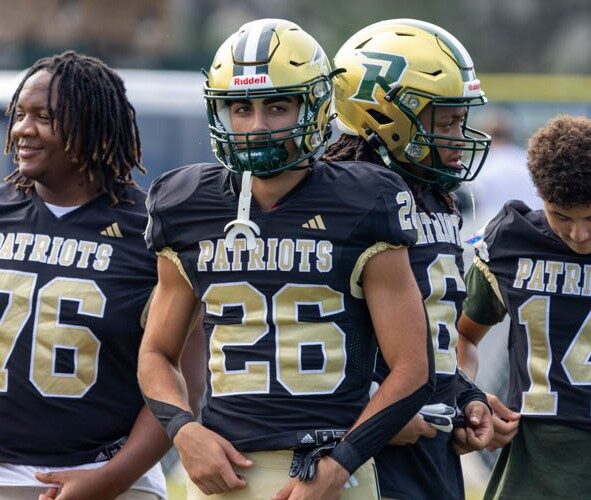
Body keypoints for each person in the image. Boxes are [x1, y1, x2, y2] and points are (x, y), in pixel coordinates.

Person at [138, 18, 435, 500]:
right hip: (224, 468)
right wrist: (183, 430)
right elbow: (156, 352)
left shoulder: (365, 200)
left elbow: (412, 368)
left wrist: (341, 464)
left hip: (334, 468)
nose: (256, 126)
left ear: (315, 106)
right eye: (241, 108)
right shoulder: (186, 203)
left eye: (277, 106)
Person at [324, 19, 494, 500]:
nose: (459, 138)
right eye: (445, 122)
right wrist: (372, 414)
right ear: (385, 116)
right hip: (365, 452)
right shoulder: (342, 201)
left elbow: (430, 334)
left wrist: (463, 395)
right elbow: (310, 335)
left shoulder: (434, 194)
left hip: (428, 447)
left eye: (460, 119)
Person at [0, 51, 170, 500]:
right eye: (19, 115)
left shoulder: (150, 231)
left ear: (93, 124)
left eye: (43, 117)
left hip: (108, 472)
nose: (22, 129)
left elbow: (179, 382)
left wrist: (109, 481)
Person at [457, 114, 591, 499]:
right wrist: (470, 395)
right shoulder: (512, 242)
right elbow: (464, 335)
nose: (578, 234)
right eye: (561, 216)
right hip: (531, 470)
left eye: (590, 218)